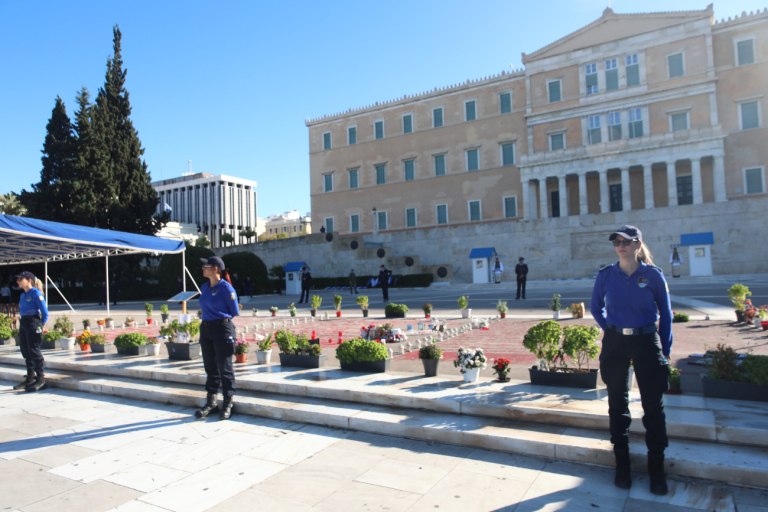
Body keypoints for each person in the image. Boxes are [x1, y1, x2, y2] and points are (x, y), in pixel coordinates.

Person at [590, 225, 673, 495]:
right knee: (617, 404)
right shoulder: (606, 275)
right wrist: (610, 329)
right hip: (616, 343)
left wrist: (665, 348)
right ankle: (622, 465)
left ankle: (656, 469)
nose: (621, 246)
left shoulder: (653, 275)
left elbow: (666, 313)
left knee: (653, 406)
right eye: (616, 242)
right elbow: (595, 306)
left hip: (646, 341)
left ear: (638, 244)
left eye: (626, 241)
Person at [195, 256, 240, 420]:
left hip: (222, 329)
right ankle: (212, 401)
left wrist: (218, 320)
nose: (203, 268)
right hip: (206, 328)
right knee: (210, 366)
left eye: (206, 266)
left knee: (225, 367)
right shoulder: (204, 287)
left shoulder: (226, 288)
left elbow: (234, 311)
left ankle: (228, 402)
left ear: (215, 269)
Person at [13, 271, 49, 392]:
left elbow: (45, 312)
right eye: (17, 279)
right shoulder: (23, 295)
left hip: (34, 322)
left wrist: (41, 325)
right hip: (24, 323)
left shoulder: (35, 293)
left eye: (20, 279)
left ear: (29, 280)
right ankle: (30, 378)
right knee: (25, 350)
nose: (18, 281)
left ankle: (41, 379)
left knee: (34, 350)